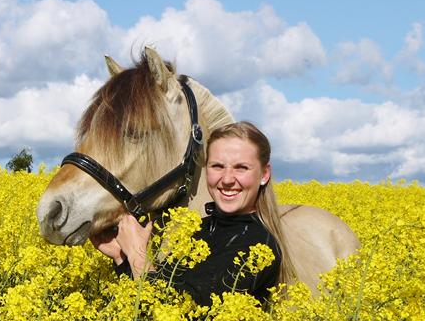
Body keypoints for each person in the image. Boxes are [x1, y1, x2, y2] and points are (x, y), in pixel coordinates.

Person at [91, 121, 291, 305]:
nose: (227, 179)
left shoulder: (259, 245)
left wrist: (137, 255)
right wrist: (122, 258)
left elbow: (184, 320)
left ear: (264, 175)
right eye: (217, 166)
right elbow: (153, 302)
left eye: (241, 168)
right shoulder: (198, 230)